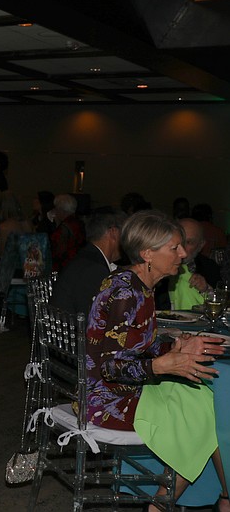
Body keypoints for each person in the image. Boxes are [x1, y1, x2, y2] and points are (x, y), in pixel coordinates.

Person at [84, 210, 229, 511]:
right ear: (147, 253)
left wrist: (176, 346)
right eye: (174, 247)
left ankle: (165, 502)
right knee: (201, 411)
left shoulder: (140, 285)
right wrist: (161, 365)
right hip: (105, 399)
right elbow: (109, 367)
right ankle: (165, 505)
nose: (183, 253)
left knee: (203, 400)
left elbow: (138, 346)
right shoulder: (125, 291)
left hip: (126, 388)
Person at [51, 208, 125, 315]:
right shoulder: (94, 269)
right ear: (113, 232)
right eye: (125, 233)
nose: (128, 239)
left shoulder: (87, 258)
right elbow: (98, 318)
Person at [167, 217, 221, 310]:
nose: (182, 247)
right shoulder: (158, 265)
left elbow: (220, 303)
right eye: (179, 240)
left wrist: (205, 289)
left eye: (188, 242)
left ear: (200, 245)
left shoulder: (210, 267)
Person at [49, 193, 85, 271]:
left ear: (61, 210)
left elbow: (56, 251)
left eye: (56, 208)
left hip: (65, 267)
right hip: (79, 264)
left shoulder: (63, 228)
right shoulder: (80, 223)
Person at [0, 191, 32, 257]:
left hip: (13, 262)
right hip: (29, 261)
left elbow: (2, 253)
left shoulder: (4, 227)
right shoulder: (28, 223)